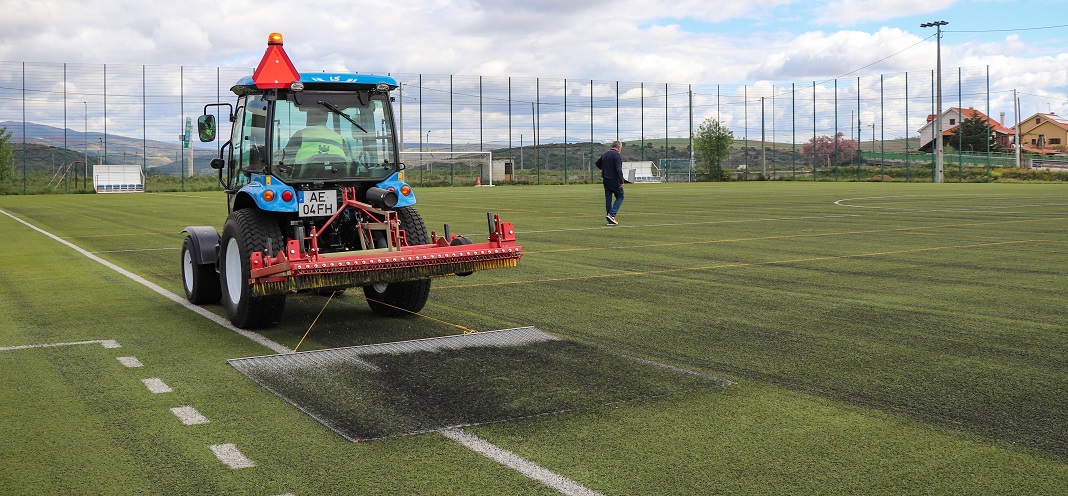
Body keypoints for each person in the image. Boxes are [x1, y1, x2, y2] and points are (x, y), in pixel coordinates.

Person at [595, 140, 624, 225]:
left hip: (606, 180)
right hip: (614, 180)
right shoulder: (617, 155)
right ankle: (612, 214)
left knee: (608, 199)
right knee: (620, 196)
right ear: (618, 147)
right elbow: (618, 169)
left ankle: (610, 220)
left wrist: (605, 169)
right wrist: (621, 180)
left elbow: (597, 163)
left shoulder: (605, 154)